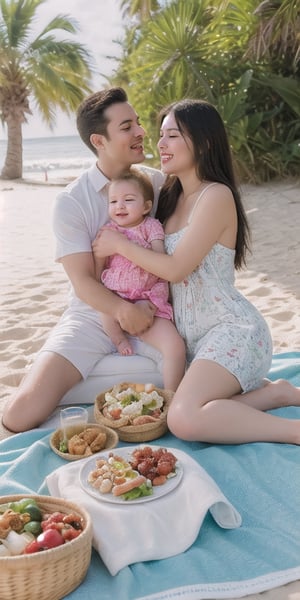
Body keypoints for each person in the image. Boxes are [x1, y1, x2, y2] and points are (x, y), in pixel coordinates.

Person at [93, 98, 300, 445]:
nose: (160, 144)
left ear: (203, 142)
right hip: (196, 340)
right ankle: (274, 394)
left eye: (172, 135)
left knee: (184, 418)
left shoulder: (215, 196)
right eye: (160, 135)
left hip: (234, 331)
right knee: (195, 409)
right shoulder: (169, 199)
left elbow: (175, 269)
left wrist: (119, 245)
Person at [2, 87, 166, 432]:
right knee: (20, 415)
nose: (140, 132)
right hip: (93, 315)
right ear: (99, 140)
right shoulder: (72, 201)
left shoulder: (158, 183)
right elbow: (82, 283)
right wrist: (123, 311)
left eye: (137, 123)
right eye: (127, 127)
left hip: (158, 307)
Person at [94, 167, 186, 390]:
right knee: (105, 312)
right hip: (117, 298)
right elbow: (98, 269)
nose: (120, 206)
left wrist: (128, 247)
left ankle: (172, 397)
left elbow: (160, 259)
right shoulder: (108, 231)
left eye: (128, 200)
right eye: (113, 201)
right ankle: (119, 339)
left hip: (148, 298)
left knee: (175, 346)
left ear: (146, 206)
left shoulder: (151, 227)